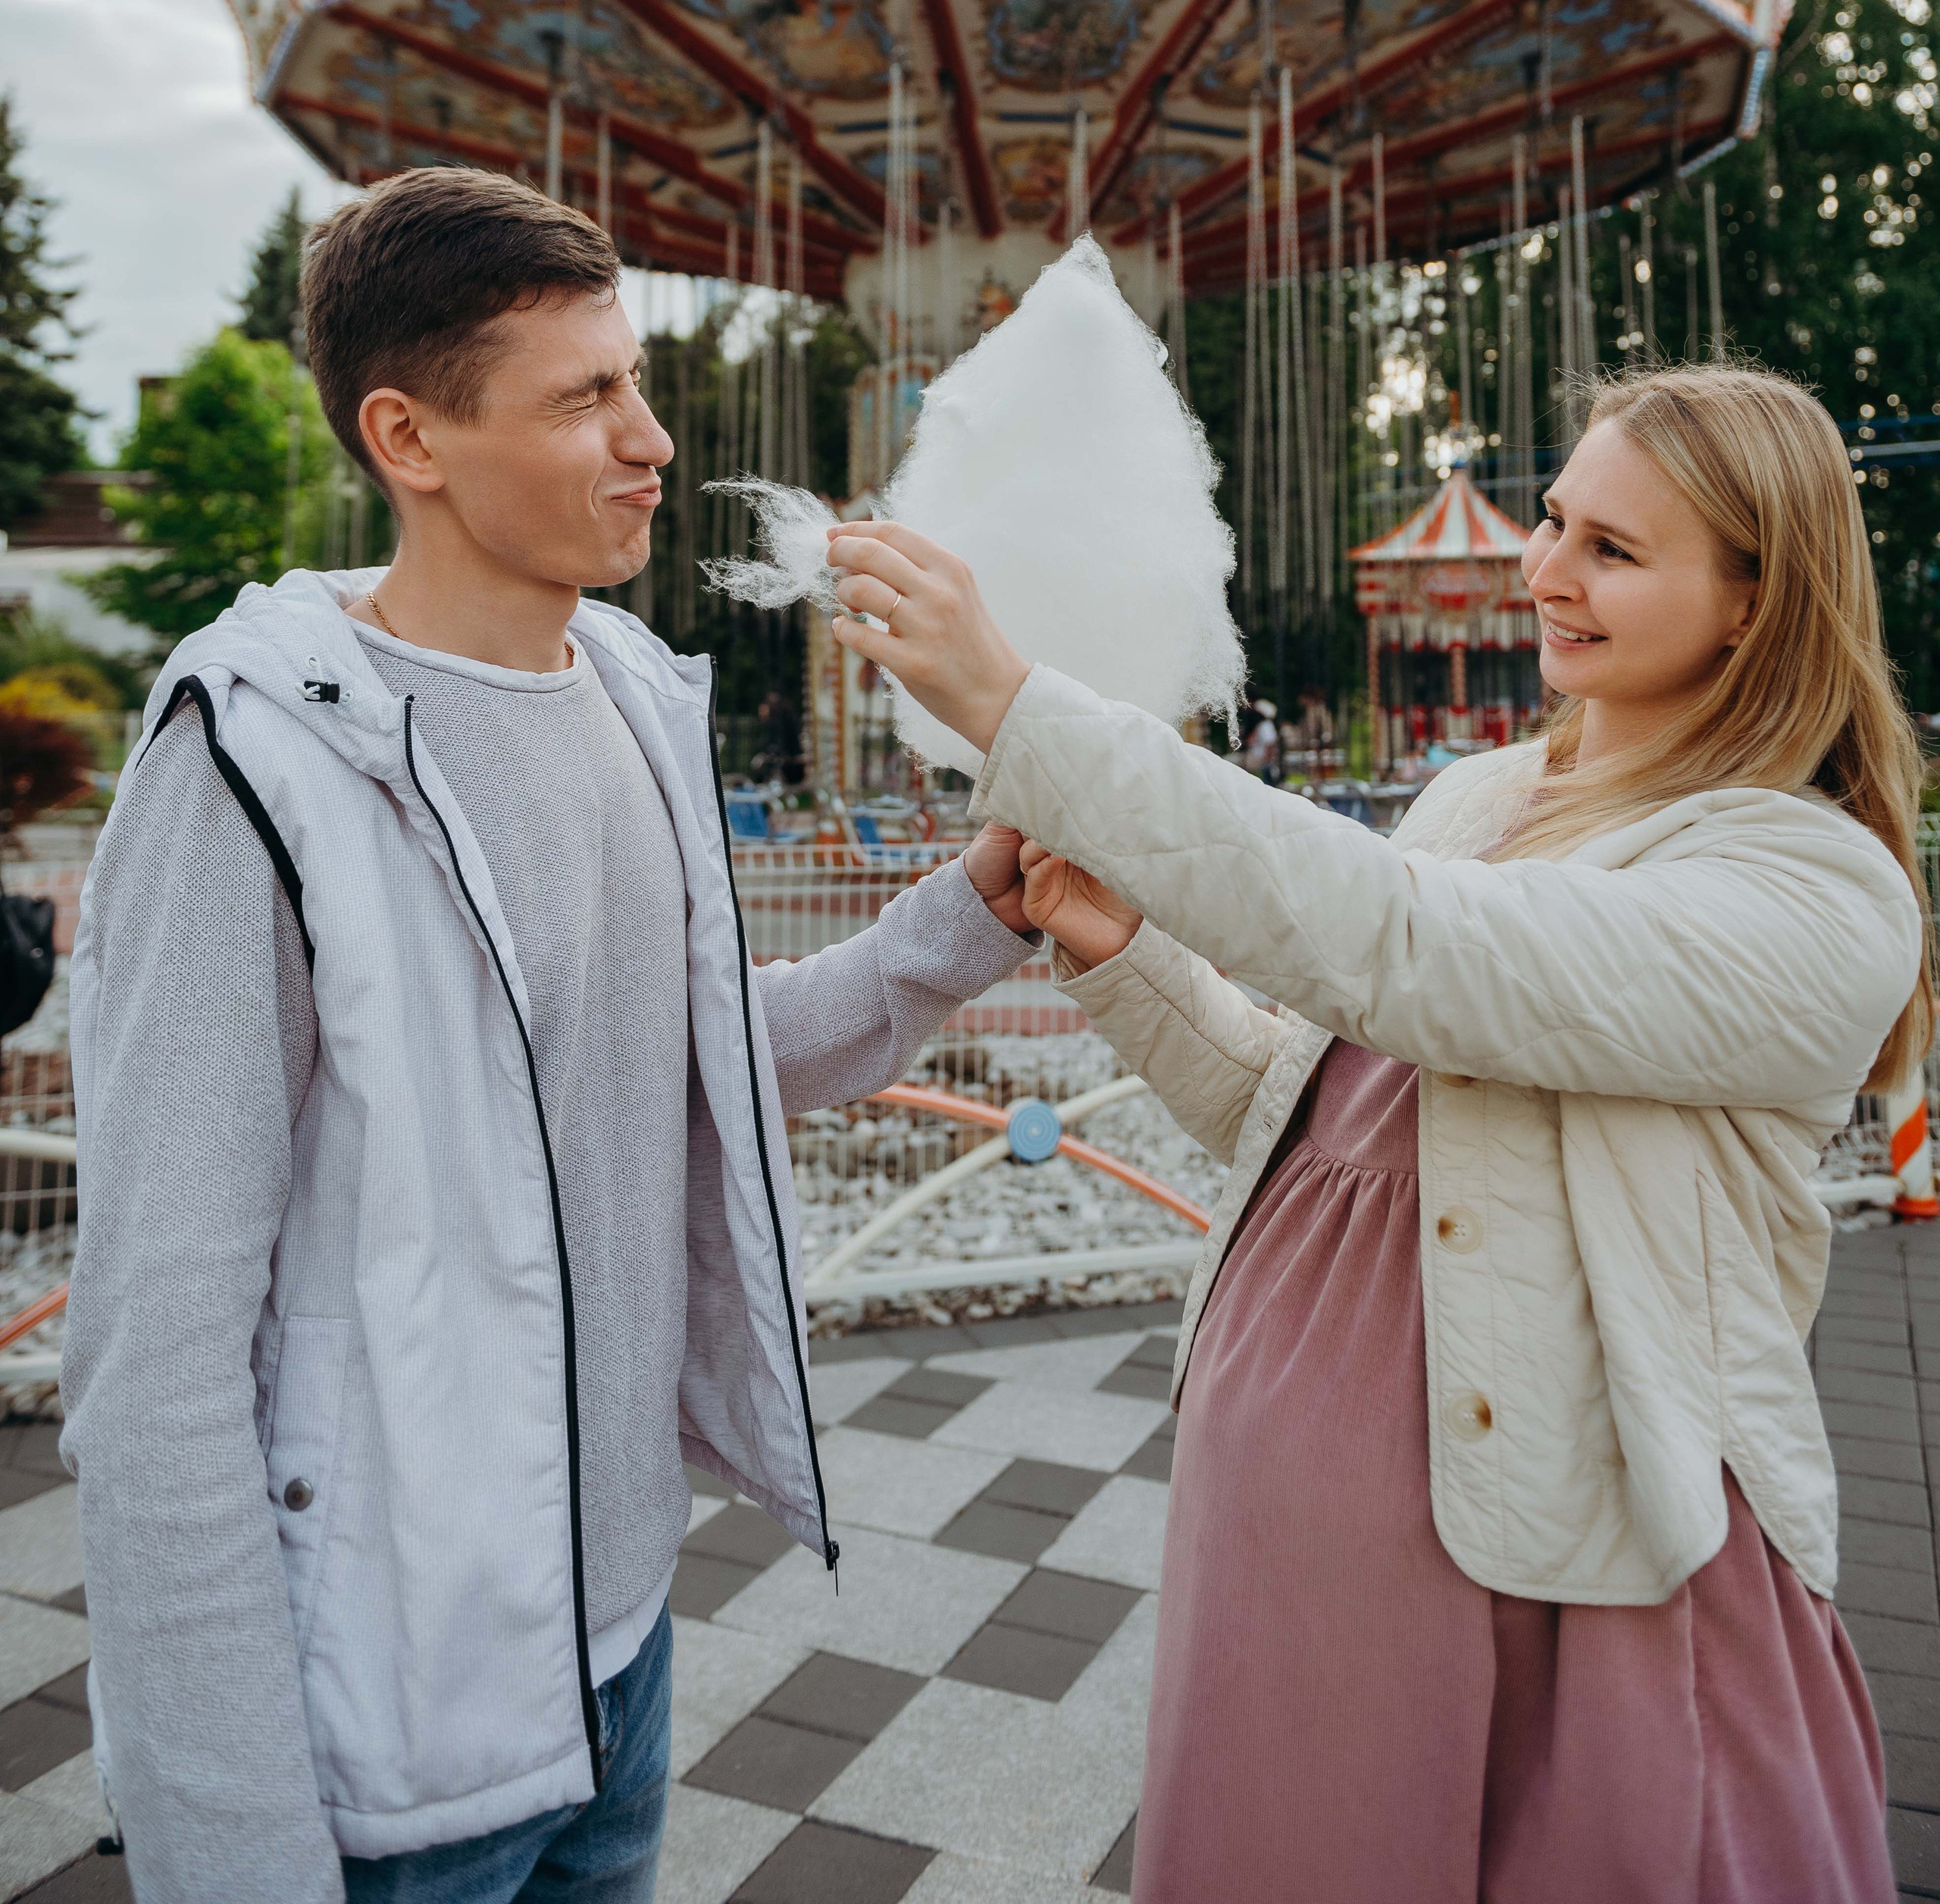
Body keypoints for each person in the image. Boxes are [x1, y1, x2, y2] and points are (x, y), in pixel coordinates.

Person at [62, 166, 1041, 1904]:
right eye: (585, 397)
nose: (651, 439)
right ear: (409, 440)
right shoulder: (252, 764)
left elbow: (691, 1064)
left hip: (619, 1645)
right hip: (389, 1714)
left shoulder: (633, 702)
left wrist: (964, 920)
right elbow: (156, 1357)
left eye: (636, 381)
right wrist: (234, 1850)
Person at [827, 363, 1931, 1903]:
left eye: (1611, 550)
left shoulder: (1808, 888)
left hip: (1569, 1556)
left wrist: (1024, 713)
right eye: (1550, 522)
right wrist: (1118, 948)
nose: (1542, 571)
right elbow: (1310, 1120)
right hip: (1295, 1551)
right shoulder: (1481, 798)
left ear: (1755, 600)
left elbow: (1417, 952)